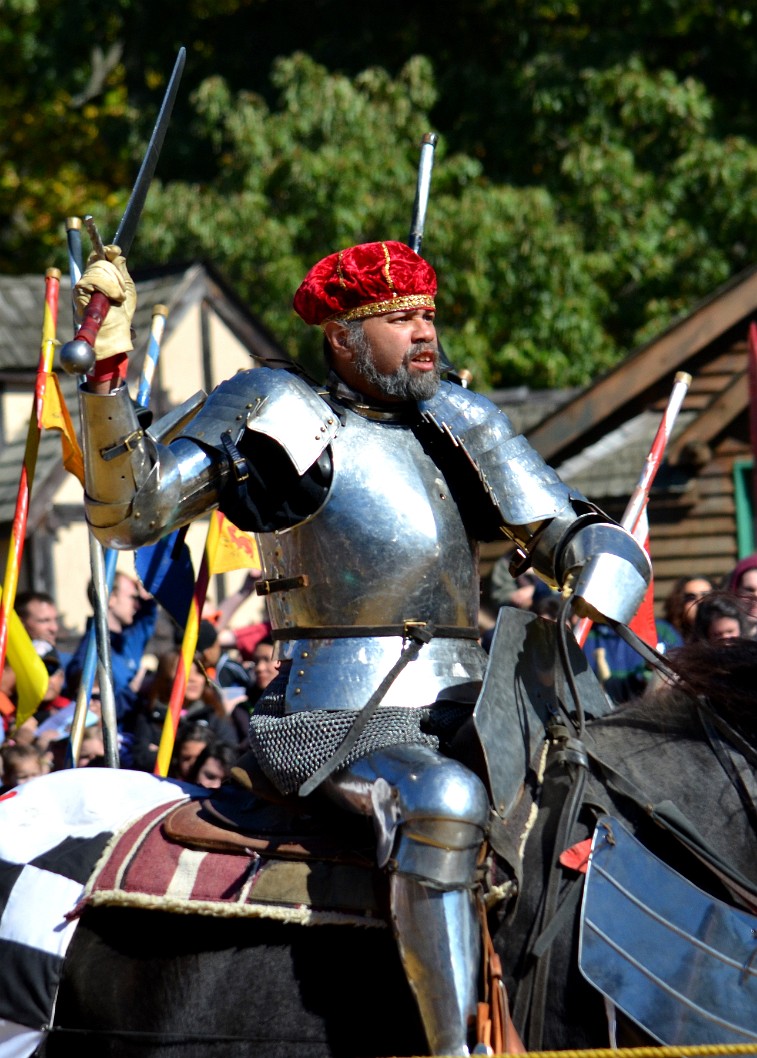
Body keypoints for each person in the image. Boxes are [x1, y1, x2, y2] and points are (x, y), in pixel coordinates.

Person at [73, 238, 649, 1055]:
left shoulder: (458, 416)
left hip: (479, 702)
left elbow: (562, 525)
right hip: (340, 712)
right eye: (399, 318)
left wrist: (601, 567)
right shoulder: (273, 409)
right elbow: (131, 514)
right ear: (342, 337)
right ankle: (456, 1046)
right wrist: (103, 378)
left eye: (427, 316)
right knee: (442, 802)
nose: (425, 334)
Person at [65, 571, 157, 718]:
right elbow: (94, 714)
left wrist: (147, 596)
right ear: (111, 599)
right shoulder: (90, 654)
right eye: (133, 597)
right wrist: (132, 689)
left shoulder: (128, 640)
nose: (137, 605)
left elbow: (147, 618)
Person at [663, 575, 715, 642]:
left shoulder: (726, 636)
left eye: (706, 596)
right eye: (691, 598)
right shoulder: (666, 637)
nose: (699, 602)